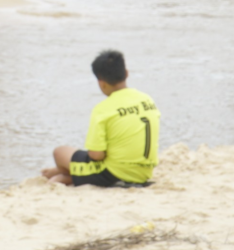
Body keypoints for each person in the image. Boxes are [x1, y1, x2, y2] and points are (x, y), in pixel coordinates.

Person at [42, 50, 160, 187]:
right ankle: (62, 173)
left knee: (59, 152)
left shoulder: (103, 109)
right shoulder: (147, 99)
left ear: (101, 83)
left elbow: (96, 155)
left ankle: (66, 177)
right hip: (144, 172)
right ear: (126, 73)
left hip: (114, 173)